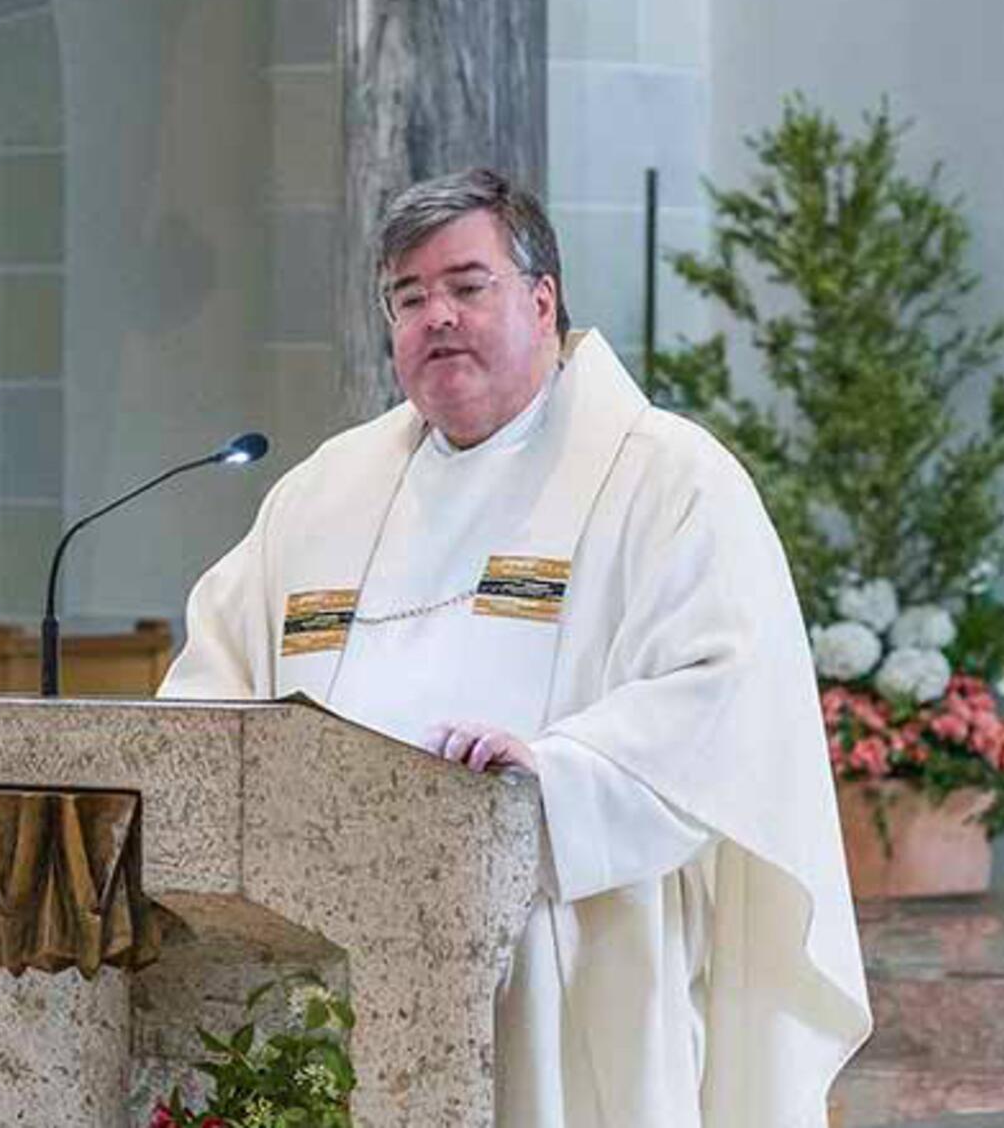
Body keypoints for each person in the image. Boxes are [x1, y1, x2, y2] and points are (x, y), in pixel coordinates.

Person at [158, 168, 872, 1127]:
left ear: (543, 301)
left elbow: (725, 694)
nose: (436, 316)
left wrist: (559, 773)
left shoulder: (666, 478)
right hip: (327, 939)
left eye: (466, 284)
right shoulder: (324, 492)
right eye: (407, 298)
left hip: (564, 936)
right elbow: (215, 678)